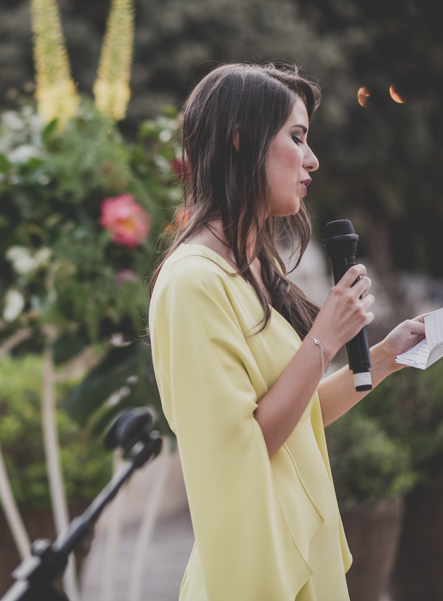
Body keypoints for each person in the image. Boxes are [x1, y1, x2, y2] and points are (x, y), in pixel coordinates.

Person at [148, 63, 426, 600]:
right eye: (296, 138)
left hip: (304, 546)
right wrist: (323, 339)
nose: (312, 159)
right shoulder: (193, 283)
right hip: (258, 571)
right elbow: (241, 448)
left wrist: (388, 356)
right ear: (241, 139)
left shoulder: (252, 268)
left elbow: (297, 414)